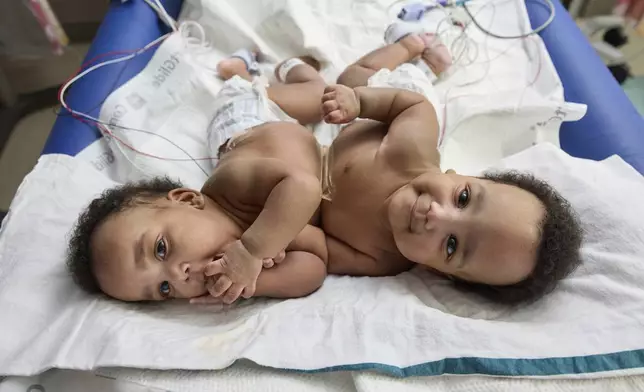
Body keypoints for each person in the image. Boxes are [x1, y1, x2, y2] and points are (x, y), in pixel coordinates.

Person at [317, 25, 583, 304]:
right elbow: (410, 106)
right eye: (463, 198)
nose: (436, 216)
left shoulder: (380, 259)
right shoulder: (410, 150)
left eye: (452, 245)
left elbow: (322, 248)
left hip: (316, 163)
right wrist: (358, 102)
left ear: (437, 271)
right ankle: (411, 47)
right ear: (460, 175)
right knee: (351, 78)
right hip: (377, 110)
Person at [67, 52, 330, 304]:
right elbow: (316, 266)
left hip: (248, 120)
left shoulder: (234, 183)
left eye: (161, 249)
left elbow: (303, 187)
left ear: (188, 199)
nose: (179, 275)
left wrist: (253, 251)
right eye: (164, 289)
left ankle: (279, 68)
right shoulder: (232, 259)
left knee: (320, 97)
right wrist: (251, 284)